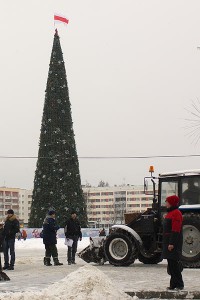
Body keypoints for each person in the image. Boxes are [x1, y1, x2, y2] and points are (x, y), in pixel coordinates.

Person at [162, 195, 184, 290]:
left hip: (173, 242)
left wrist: (172, 243)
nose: (165, 203)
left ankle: (179, 284)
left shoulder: (176, 213)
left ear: (171, 203)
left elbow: (175, 230)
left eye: (167, 202)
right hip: (168, 241)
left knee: (174, 264)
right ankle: (173, 284)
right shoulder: (171, 213)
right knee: (171, 264)